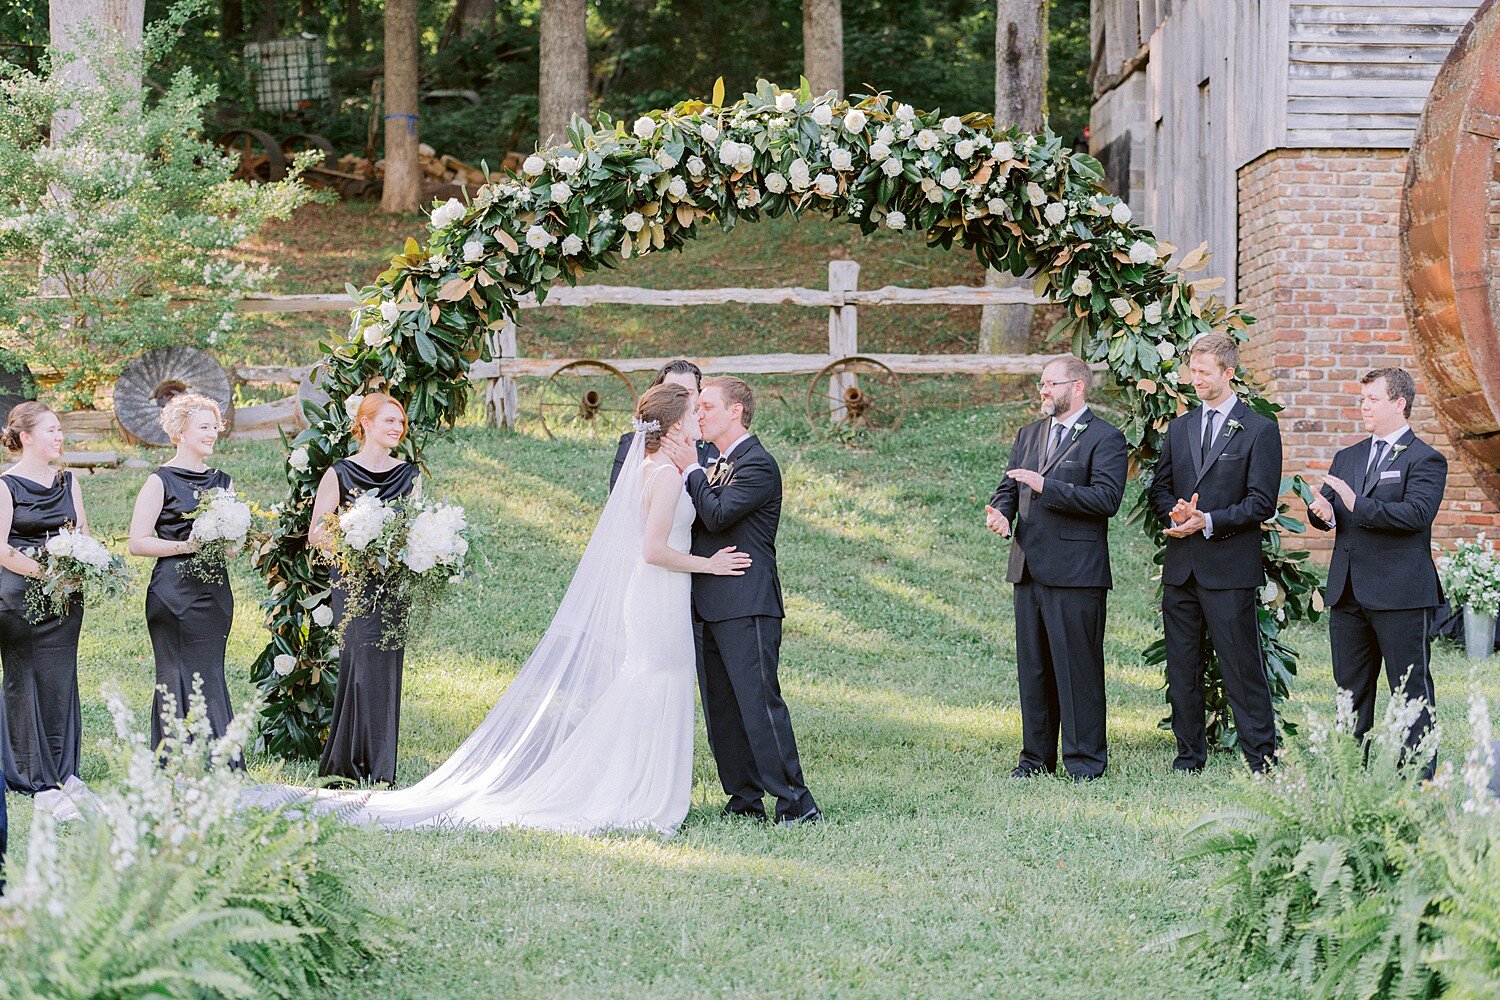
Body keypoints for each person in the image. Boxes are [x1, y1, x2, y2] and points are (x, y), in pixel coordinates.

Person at [249, 384, 748, 835]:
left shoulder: (661, 468)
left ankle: (643, 783)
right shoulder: (661, 475)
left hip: (658, 595)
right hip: (658, 590)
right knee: (653, 682)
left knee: (654, 683)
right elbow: (653, 549)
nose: (698, 418)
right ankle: (641, 790)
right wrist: (710, 564)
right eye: (692, 412)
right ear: (676, 424)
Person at [661, 376, 821, 825]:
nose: (700, 414)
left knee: (759, 704)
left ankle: (796, 803)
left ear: (736, 411)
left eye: (708, 406)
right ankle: (744, 799)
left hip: (748, 602)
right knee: (722, 711)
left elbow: (717, 515)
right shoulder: (712, 460)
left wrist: (692, 470)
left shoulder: (758, 464)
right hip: (705, 601)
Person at [986, 355, 1127, 782]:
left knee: (1077, 667)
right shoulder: (1029, 434)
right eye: (1041, 383)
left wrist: (1047, 486)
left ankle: (1085, 762)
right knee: (1034, 668)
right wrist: (1001, 511)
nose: (1043, 390)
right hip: (1028, 568)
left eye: (1050, 383)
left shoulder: (1106, 438)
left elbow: (1106, 500)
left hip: (1076, 572)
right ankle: (1034, 759)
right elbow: (1009, 485)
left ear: (1078, 387)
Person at [1148, 333, 1282, 773]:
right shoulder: (1182, 426)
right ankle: (1188, 757)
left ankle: (1261, 758)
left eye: (1205, 372)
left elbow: (1261, 502)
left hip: (1229, 567)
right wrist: (1177, 510)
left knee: (1242, 667)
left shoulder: (1260, 428)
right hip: (1182, 568)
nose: (1196, 379)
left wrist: (1207, 520)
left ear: (1229, 373)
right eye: (1193, 370)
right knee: (1182, 667)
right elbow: (1160, 486)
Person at [1307, 367, 1445, 775]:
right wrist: (1324, 513)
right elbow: (1335, 511)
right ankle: (1348, 775)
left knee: (1410, 691)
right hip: (1347, 593)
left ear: (1399, 404)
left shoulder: (1426, 459)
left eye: (1372, 399)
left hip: (1400, 595)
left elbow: (1417, 515)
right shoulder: (1347, 456)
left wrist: (1355, 503)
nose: (1363, 406)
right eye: (1362, 399)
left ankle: (1417, 779)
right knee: (1349, 691)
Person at [309, 393, 421, 785]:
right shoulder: (339, 473)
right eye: (389, 421)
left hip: (392, 586)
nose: (396, 428)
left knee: (387, 668)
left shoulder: (409, 475)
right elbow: (318, 533)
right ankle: (347, 763)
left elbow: (415, 530)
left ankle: (381, 766)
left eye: (401, 423)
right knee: (357, 663)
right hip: (354, 582)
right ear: (366, 424)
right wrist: (357, 541)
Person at [128, 393, 238, 756]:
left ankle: (217, 762)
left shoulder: (223, 481)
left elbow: (232, 547)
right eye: (204, 427)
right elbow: (138, 542)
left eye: (215, 427)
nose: (212, 434)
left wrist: (232, 538)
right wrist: (186, 546)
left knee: (210, 673)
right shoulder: (160, 480)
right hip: (172, 593)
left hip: (214, 594)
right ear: (180, 431)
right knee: (176, 676)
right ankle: (176, 761)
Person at [0, 402, 88, 795]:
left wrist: (83, 567)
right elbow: (1, 549)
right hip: (20, 597)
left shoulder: (69, 481)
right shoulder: (6, 486)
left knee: (60, 677)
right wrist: (48, 575)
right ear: (27, 438)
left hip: (67, 597)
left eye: (60, 429)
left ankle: (63, 767)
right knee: (25, 678)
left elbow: (82, 532)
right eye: (52, 430)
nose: (59, 436)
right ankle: (25, 770)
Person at [609, 359, 716, 491]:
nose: (680, 400)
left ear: (700, 395)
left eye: (688, 392)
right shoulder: (632, 443)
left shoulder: (715, 447)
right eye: (670, 392)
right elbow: (620, 497)